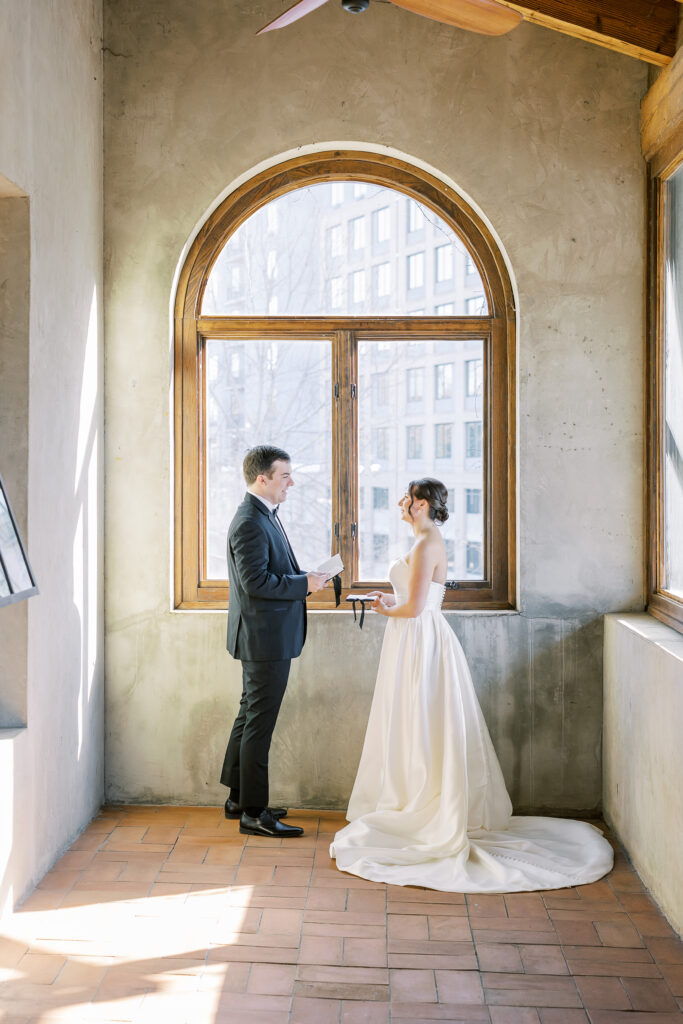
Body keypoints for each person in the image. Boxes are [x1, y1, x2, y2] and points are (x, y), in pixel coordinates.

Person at [330, 478, 613, 891]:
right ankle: (412, 797)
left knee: (425, 722)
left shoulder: (428, 543)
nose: (400, 502)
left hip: (421, 640)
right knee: (413, 722)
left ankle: (428, 807)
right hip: (412, 638)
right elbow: (411, 600)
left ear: (421, 504)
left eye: (407, 498)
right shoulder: (425, 539)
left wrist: (384, 608)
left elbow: (414, 608)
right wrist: (388, 600)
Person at [220, 445, 328, 838]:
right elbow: (257, 583)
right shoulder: (250, 520)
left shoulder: (262, 515)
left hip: (264, 636)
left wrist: (307, 577)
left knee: (249, 715)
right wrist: (305, 586)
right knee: (258, 725)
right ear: (262, 478)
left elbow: (270, 571)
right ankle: (254, 811)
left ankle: (238, 799)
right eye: (285, 476)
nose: (292, 482)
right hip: (264, 640)